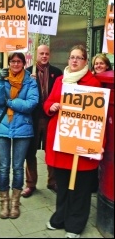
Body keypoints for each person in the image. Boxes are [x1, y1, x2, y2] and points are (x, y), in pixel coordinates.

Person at [43, 45, 102, 238]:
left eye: (79, 58)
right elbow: (47, 103)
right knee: (63, 185)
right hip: (61, 143)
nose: (74, 61)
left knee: (80, 189)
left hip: (80, 144)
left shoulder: (93, 83)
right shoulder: (61, 80)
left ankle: (75, 224)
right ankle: (60, 217)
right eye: (71, 57)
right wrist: (52, 106)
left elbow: (98, 116)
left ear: (85, 61)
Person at [0, 52, 39, 219]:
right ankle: (4, 202)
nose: (16, 64)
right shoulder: (2, 79)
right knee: (3, 167)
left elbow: (31, 104)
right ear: (9, 63)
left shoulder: (30, 81)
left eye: (19, 61)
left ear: (24, 63)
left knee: (18, 168)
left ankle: (15, 203)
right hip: (3, 127)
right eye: (13, 61)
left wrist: (10, 102)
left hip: (23, 129)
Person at [22, 45, 62, 197]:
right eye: (41, 53)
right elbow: (19, 93)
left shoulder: (56, 73)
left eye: (46, 53)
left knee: (52, 150)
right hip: (32, 118)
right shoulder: (27, 72)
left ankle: (52, 181)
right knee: (30, 151)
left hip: (50, 118)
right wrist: (28, 83)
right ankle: (30, 184)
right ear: (36, 55)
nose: (44, 56)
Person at [90, 53, 112, 192]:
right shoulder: (91, 79)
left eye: (101, 63)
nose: (98, 66)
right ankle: (94, 183)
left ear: (107, 65)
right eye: (96, 63)